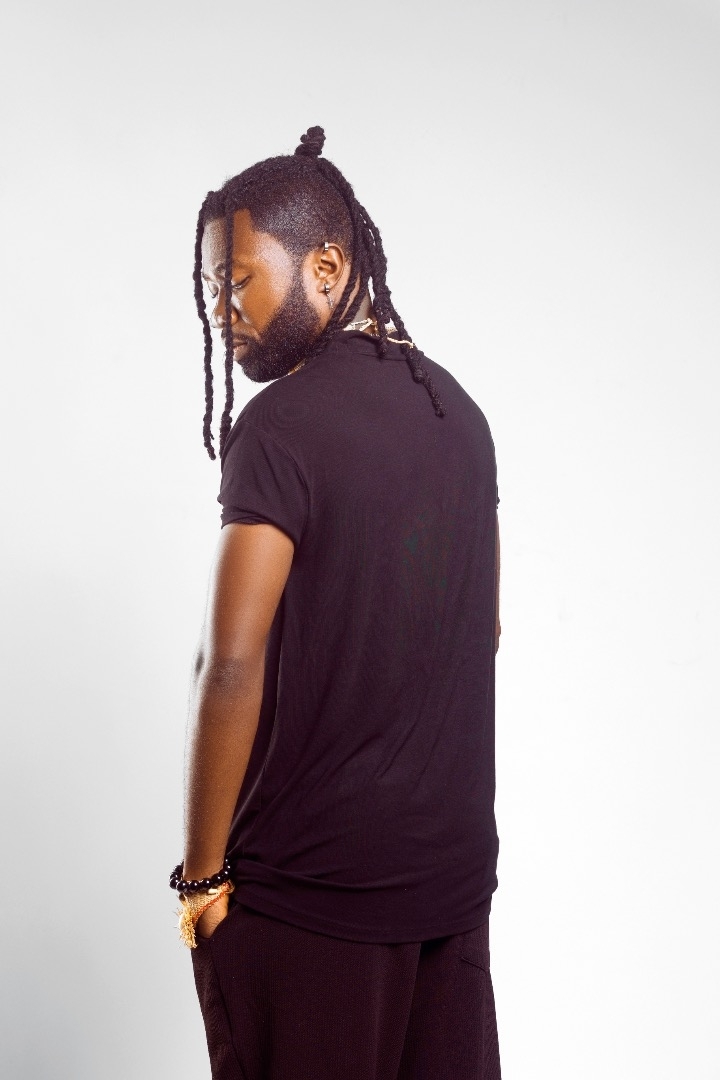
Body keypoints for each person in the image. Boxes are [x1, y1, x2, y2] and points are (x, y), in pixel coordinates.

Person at [171, 125, 503, 1080]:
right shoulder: (458, 415)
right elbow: (483, 628)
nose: (221, 310)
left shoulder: (279, 428)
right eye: (212, 288)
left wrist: (201, 877)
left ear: (325, 266)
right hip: (449, 886)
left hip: (310, 899)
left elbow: (229, 662)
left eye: (237, 280)